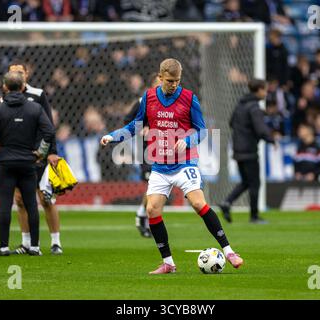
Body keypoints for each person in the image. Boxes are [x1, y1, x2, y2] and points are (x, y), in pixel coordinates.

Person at [101, 58, 244, 274]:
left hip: (185, 162)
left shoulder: (189, 98)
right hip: (160, 165)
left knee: (198, 203)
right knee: (151, 209)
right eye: (169, 81)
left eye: (177, 80)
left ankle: (230, 251)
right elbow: (135, 125)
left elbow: (202, 131)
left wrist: (186, 141)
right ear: (160, 78)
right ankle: (168, 263)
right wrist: (112, 137)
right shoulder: (148, 98)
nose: (174, 85)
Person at [0, 71, 55, 256]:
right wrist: (41, 152)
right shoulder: (34, 109)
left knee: (5, 205)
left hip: (4, 162)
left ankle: (3, 247)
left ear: (5, 87)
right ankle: (34, 247)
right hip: (28, 162)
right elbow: (49, 132)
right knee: (31, 204)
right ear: (22, 87)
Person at [7, 61, 63, 255]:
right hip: (16, 155)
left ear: (27, 74)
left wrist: (51, 151)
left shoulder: (38, 95)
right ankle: (26, 242)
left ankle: (56, 242)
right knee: (20, 199)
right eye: (13, 72)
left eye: (19, 72)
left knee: (46, 199)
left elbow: (48, 124)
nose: (16, 75)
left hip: (38, 154)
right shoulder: (4, 97)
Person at [219, 79, 276, 224]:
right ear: (259, 90)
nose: (266, 93)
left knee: (246, 182)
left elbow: (231, 122)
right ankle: (254, 216)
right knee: (255, 183)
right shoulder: (254, 107)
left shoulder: (240, 104)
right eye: (265, 90)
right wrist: (271, 140)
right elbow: (260, 128)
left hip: (237, 149)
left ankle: (227, 202)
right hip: (249, 149)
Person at [123, 73, 161, 238]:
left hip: (165, 150)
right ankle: (143, 217)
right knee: (153, 185)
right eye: (158, 82)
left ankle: (144, 217)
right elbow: (127, 120)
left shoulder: (170, 103)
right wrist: (141, 128)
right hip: (148, 151)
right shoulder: (142, 102)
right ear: (151, 85)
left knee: (158, 188)